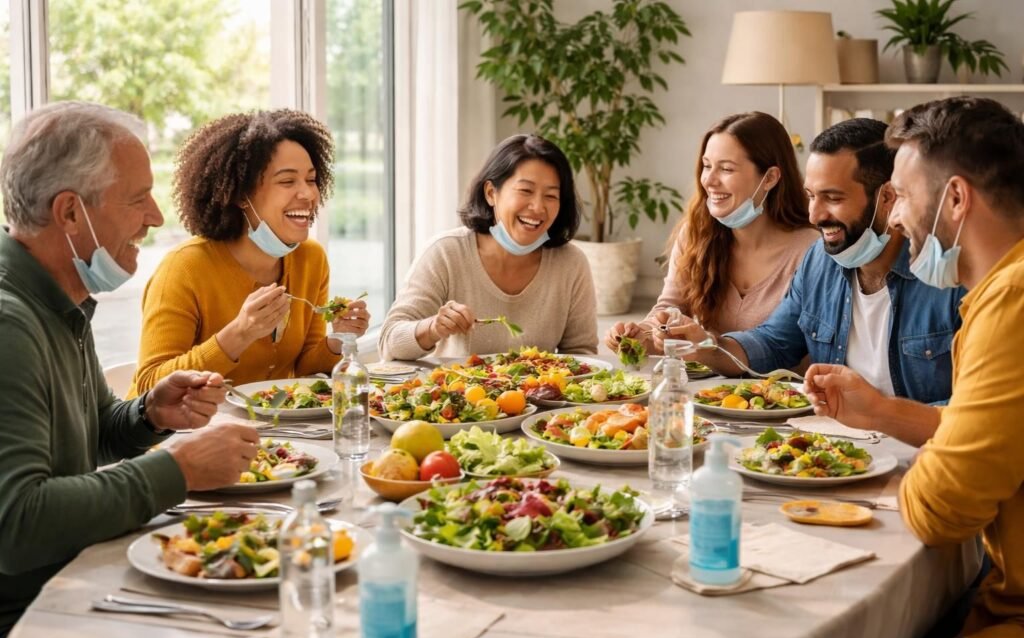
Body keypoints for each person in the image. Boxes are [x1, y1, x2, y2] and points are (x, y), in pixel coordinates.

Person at [0, 102, 259, 638]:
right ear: (70, 213)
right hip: (32, 626)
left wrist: (147, 414)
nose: (157, 217)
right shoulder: (9, 325)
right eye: (138, 198)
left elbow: (94, 432)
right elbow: (17, 525)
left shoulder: (57, 297)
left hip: (77, 581)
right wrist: (177, 470)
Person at [803, 98, 1024, 638]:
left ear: (954, 199)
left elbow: (940, 510)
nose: (894, 217)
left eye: (899, 195)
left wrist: (903, 472)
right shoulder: (997, 291)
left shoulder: (1012, 301)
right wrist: (883, 413)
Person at [669, 119, 963, 403]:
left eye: (833, 198)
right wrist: (707, 346)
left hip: (920, 449)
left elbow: (977, 409)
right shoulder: (820, 261)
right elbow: (774, 343)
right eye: (811, 196)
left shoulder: (947, 277)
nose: (815, 216)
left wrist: (880, 415)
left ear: (887, 197)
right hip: (834, 445)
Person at [128, 110, 369, 396]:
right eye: (287, 181)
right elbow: (149, 385)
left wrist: (339, 338)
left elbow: (305, 368)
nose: (308, 194)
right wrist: (239, 333)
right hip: (184, 436)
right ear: (241, 195)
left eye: (312, 179)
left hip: (268, 433)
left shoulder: (311, 259)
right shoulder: (185, 268)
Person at [605, 111, 817, 354]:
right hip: (711, 390)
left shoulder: (811, 251)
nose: (709, 181)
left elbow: (790, 347)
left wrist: (706, 345)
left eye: (726, 169)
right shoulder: (695, 232)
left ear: (769, 178)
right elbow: (671, 309)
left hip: (785, 390)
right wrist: (639, 335)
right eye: (707, 166)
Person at [378, 133, 597, 360]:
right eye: (526, 191)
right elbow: (389, 342)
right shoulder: (446, 253)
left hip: (539, 395)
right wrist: (433, 327)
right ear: (491, 193)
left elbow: (582, 354)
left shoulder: (571, 263)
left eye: (551, 196)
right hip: (457, 393)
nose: (538, 207)